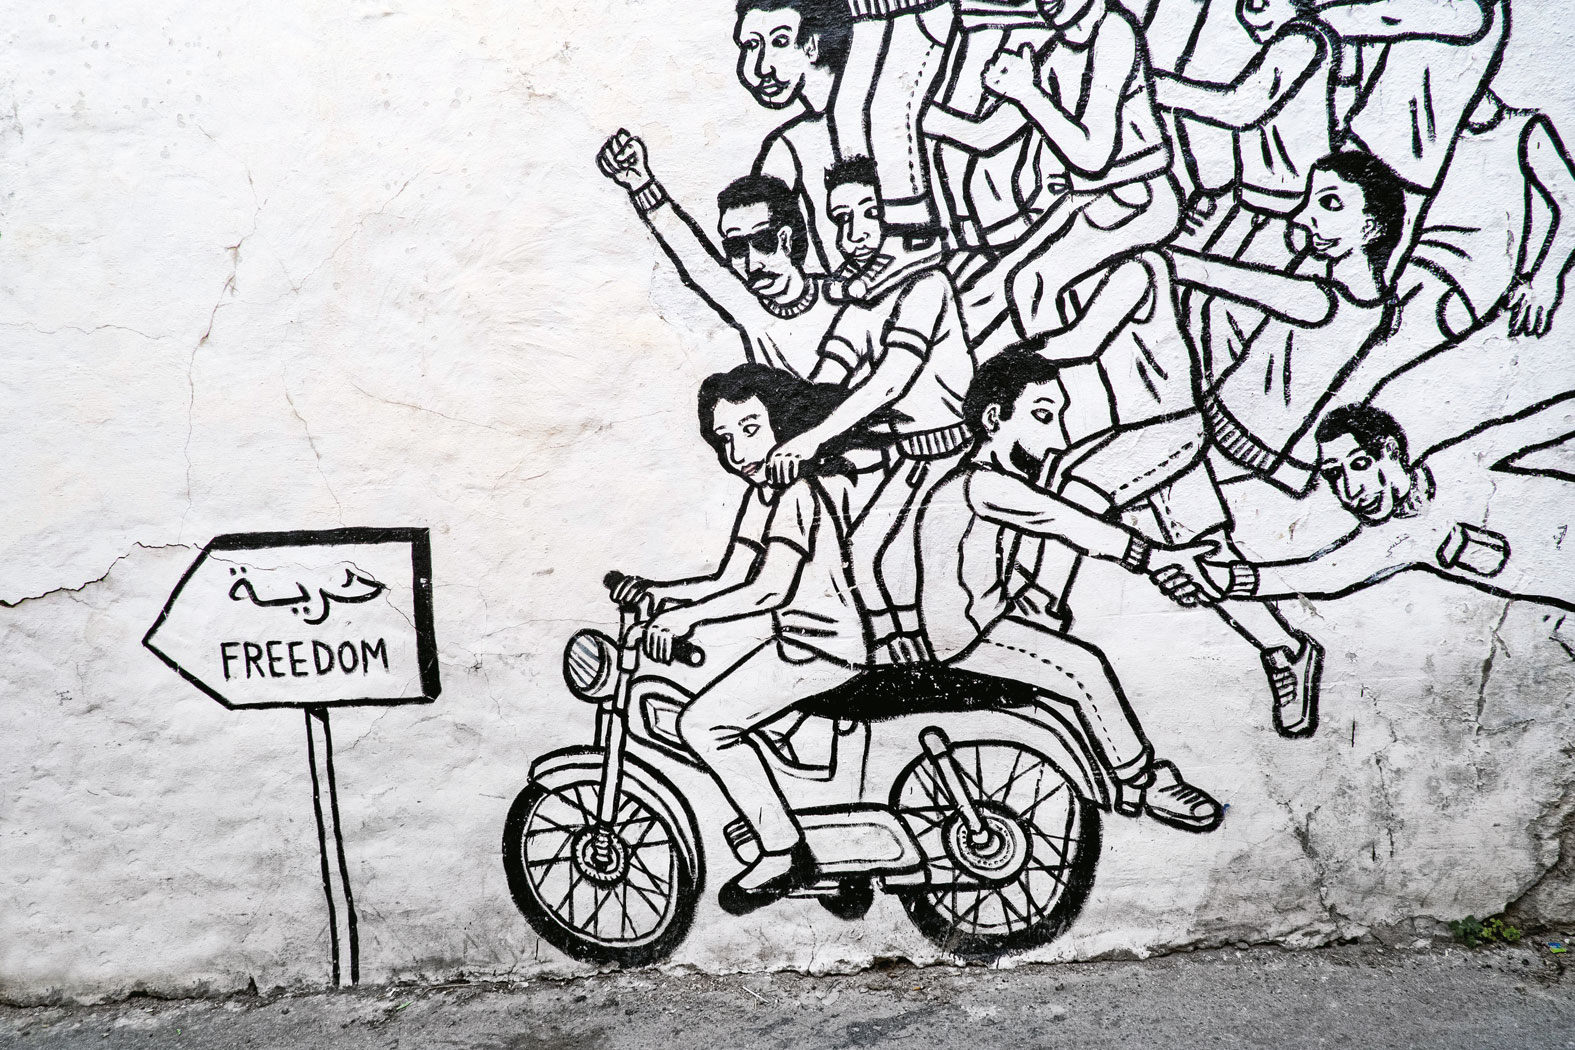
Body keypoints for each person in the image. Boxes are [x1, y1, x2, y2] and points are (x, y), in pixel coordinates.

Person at [915, 349, 1226, 828]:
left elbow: (977, 565)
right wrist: (1151, 557)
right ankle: (1141, 782)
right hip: (966, 640)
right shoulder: (981, 485)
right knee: (1084, 668)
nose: (1056, 436)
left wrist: (1021, 595)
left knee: (1061, 637)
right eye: (1043, 416)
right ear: (995, 419)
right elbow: (1062, 521)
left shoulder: (976, 484)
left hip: (982, 621)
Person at [1023, 250, 1324, 735]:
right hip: (1142, 435)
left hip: (1166, 430)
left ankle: (1041, 605)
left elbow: (1082, 341)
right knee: (1208, 558)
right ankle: (1286, 649)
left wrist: (1001, 365)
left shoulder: (1138, 268)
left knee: (1079, 491)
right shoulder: (1073, 272)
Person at [613, 365, 879, 914]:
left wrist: (687, 622)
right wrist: (661, 595)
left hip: (824, 649)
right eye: (725, 439)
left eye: (751, 429)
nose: (737, 451)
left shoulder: (796, 493)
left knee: (703, 724)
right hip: (799, 645)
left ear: (784, 424)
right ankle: (825, 850)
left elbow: (769, 589)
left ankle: (782, 852)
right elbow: (729, 578)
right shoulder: (763, 496)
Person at [770, 156, 976, 664]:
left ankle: (920, 662)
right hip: (910, 456)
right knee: (862, 553)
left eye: (870, 213)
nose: (855, 234)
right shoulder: (862, 305)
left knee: (890, 560)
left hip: (955, 454)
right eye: (841, 219)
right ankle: (893, 660)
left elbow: (890, 380)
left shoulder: (927, 286)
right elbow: (826, 383)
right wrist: (784, 437)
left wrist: (813, 438)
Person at [923, 0, 1181, 354]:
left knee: (1034, 282)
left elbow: (1094, 156)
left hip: (1141, 195)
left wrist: (1026, 92)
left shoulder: (1114, 31)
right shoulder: (1055, 52)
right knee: (994, 284)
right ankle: (1034, 375)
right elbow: (987, 135)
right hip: (1091, 199)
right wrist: (914, 113)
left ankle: (1051, 378)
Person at [1154, 398, 1575, 615]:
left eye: (1359, 464)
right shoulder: (1397, 538)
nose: (1350, 489)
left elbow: (1544, 421)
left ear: (1390, 451)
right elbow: (1319, 574)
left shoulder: (1460, 462)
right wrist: (1221, 580)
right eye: (1334, 474)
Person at [1171, 150, 1406, 493]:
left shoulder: (1325, 304)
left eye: (1329, 203)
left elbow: (1201, 271)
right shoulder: (1376, 304)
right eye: (1309, 201)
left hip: (1234, 441)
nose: (1304, 216)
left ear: (1369, 227)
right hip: (1251, 444)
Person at [1328, 92, 1575, 411]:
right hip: (1418, 277)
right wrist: (1389, 283)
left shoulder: (1524, 129)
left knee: (1373, 378)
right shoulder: (1432, 137)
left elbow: (1569, 205)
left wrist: (1545, 279)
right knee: (1367, 371)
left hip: (1461, 284)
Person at [597, 131, 841, 380]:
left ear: (786, 239)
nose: (752, 264)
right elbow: (691, 253)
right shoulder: (750, 309)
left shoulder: (842, 297)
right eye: (736, 248)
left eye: (762, 241)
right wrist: (641, 182)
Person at [826, 0, 956, 299]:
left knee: (891, 112)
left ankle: (912, 233)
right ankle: (877, 235)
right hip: (869, 8)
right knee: (845, 112)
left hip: (923, 8)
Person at [737, 0, 854, 272]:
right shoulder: (787, 146)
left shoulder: (883, 118)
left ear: (812, 45)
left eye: (779, 41)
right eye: (751, 45)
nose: (761, 67)